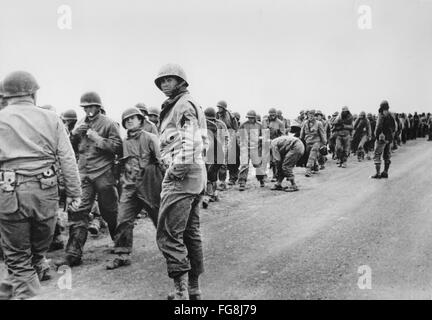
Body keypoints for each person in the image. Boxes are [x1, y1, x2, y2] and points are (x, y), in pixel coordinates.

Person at [0, 71, 81, 299]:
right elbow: (67, 158)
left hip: (9, 192)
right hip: (46, 194)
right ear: (34, 93)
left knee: (18, 259)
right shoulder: (51, 118)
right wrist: (74, 193)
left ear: (5, 95)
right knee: (34, 256)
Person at [155, 63, 208, 300]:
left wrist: (175, 171)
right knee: (190, 233)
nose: (165, 84)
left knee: (169, 234)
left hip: (183, 176)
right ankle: (193, 288)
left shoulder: (183, 104)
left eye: (170, 80)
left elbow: (192, 140)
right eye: (162, 81)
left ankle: (181, 293)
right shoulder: (181, 104)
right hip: (195, 176)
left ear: (180, 82)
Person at [55, 91, 122, 267]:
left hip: (103, 173)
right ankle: (73, 254)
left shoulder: (109, 124)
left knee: (110, 211)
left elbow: (118, 148)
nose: (88, 110)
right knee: (78, 211)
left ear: (98, 107)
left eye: (91, 106)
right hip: (84, 174)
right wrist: (74, 134)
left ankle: (121, 245)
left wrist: (98, 139)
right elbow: (71, 149)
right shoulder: (80, 123)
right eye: (85, 107)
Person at [106, 107, 163, 269]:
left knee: (160, 219)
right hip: (130, 187)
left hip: (149, 186)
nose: (130, 121)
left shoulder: (151, 138)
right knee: (123, 219)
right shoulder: (124, 143)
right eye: (127, 119)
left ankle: (173, 250)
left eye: (133, 118)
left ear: (140, 120)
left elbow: (162, 163)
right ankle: (122, 254)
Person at [202, 107, 227, 208]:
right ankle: (214, 193)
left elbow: (226, 138)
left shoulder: (220, 125)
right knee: (210, 173)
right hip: (207, 152)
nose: (209, 121)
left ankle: (209, 195)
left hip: (218, 152)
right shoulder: (202, 124)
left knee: (211, 173)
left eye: (211, 119)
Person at [237, 110, 266, 190]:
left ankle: (261, 180)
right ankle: (242, 183)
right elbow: (238, 135)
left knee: (258, 165)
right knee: (244, 165)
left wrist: (261, 140)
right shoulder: (243, 125)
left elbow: (265, 136)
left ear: (255, 118)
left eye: (251, 118)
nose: (250, 119)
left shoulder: (259, 125)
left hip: (256, 149)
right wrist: (240, 144)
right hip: (245, 148)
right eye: (249, 118)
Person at [215, 100, 239, 188]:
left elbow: (235, 129)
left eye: (220, 107)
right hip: (219, 137)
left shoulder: (231, 117)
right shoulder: (216, 115)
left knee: (232, 159)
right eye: (218, 107)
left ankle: (233, 178)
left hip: (230, 137)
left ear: (224, 108)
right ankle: (221, 180)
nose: (218, 109)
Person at [371, 101, 396, 179]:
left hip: (381, 139)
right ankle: (385, 172)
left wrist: (377, 135)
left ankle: (378, 174)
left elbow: (378, 126)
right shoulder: (391, 115)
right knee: (387, 156)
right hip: (389, 139)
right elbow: (394, 127)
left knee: (377, 154)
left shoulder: (381, 115)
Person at [300, 109, 327, 176]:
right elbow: (302, 133)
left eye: (312, 115)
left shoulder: (319, 123)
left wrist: (324, 143)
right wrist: (301, 140)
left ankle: (308, 169)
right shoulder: (305, 123)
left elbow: (322, 133)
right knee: (311, 155)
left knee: (312, 156)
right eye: (309, 115)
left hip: (316, 142)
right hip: (308, 142)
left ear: (315, 116)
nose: (311, 117)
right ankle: (316, 167)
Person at [263, 108, 285, 181]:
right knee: (264, 159)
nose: (272, 116)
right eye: (270, 114)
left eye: (273, 114)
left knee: (275, 161)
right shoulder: (265, 121)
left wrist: (277, 142)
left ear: (276, 114)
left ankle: (275, 176)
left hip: (275, 143)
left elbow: (282, 135)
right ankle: (263, 176)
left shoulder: (280, 123)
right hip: (266, 143)